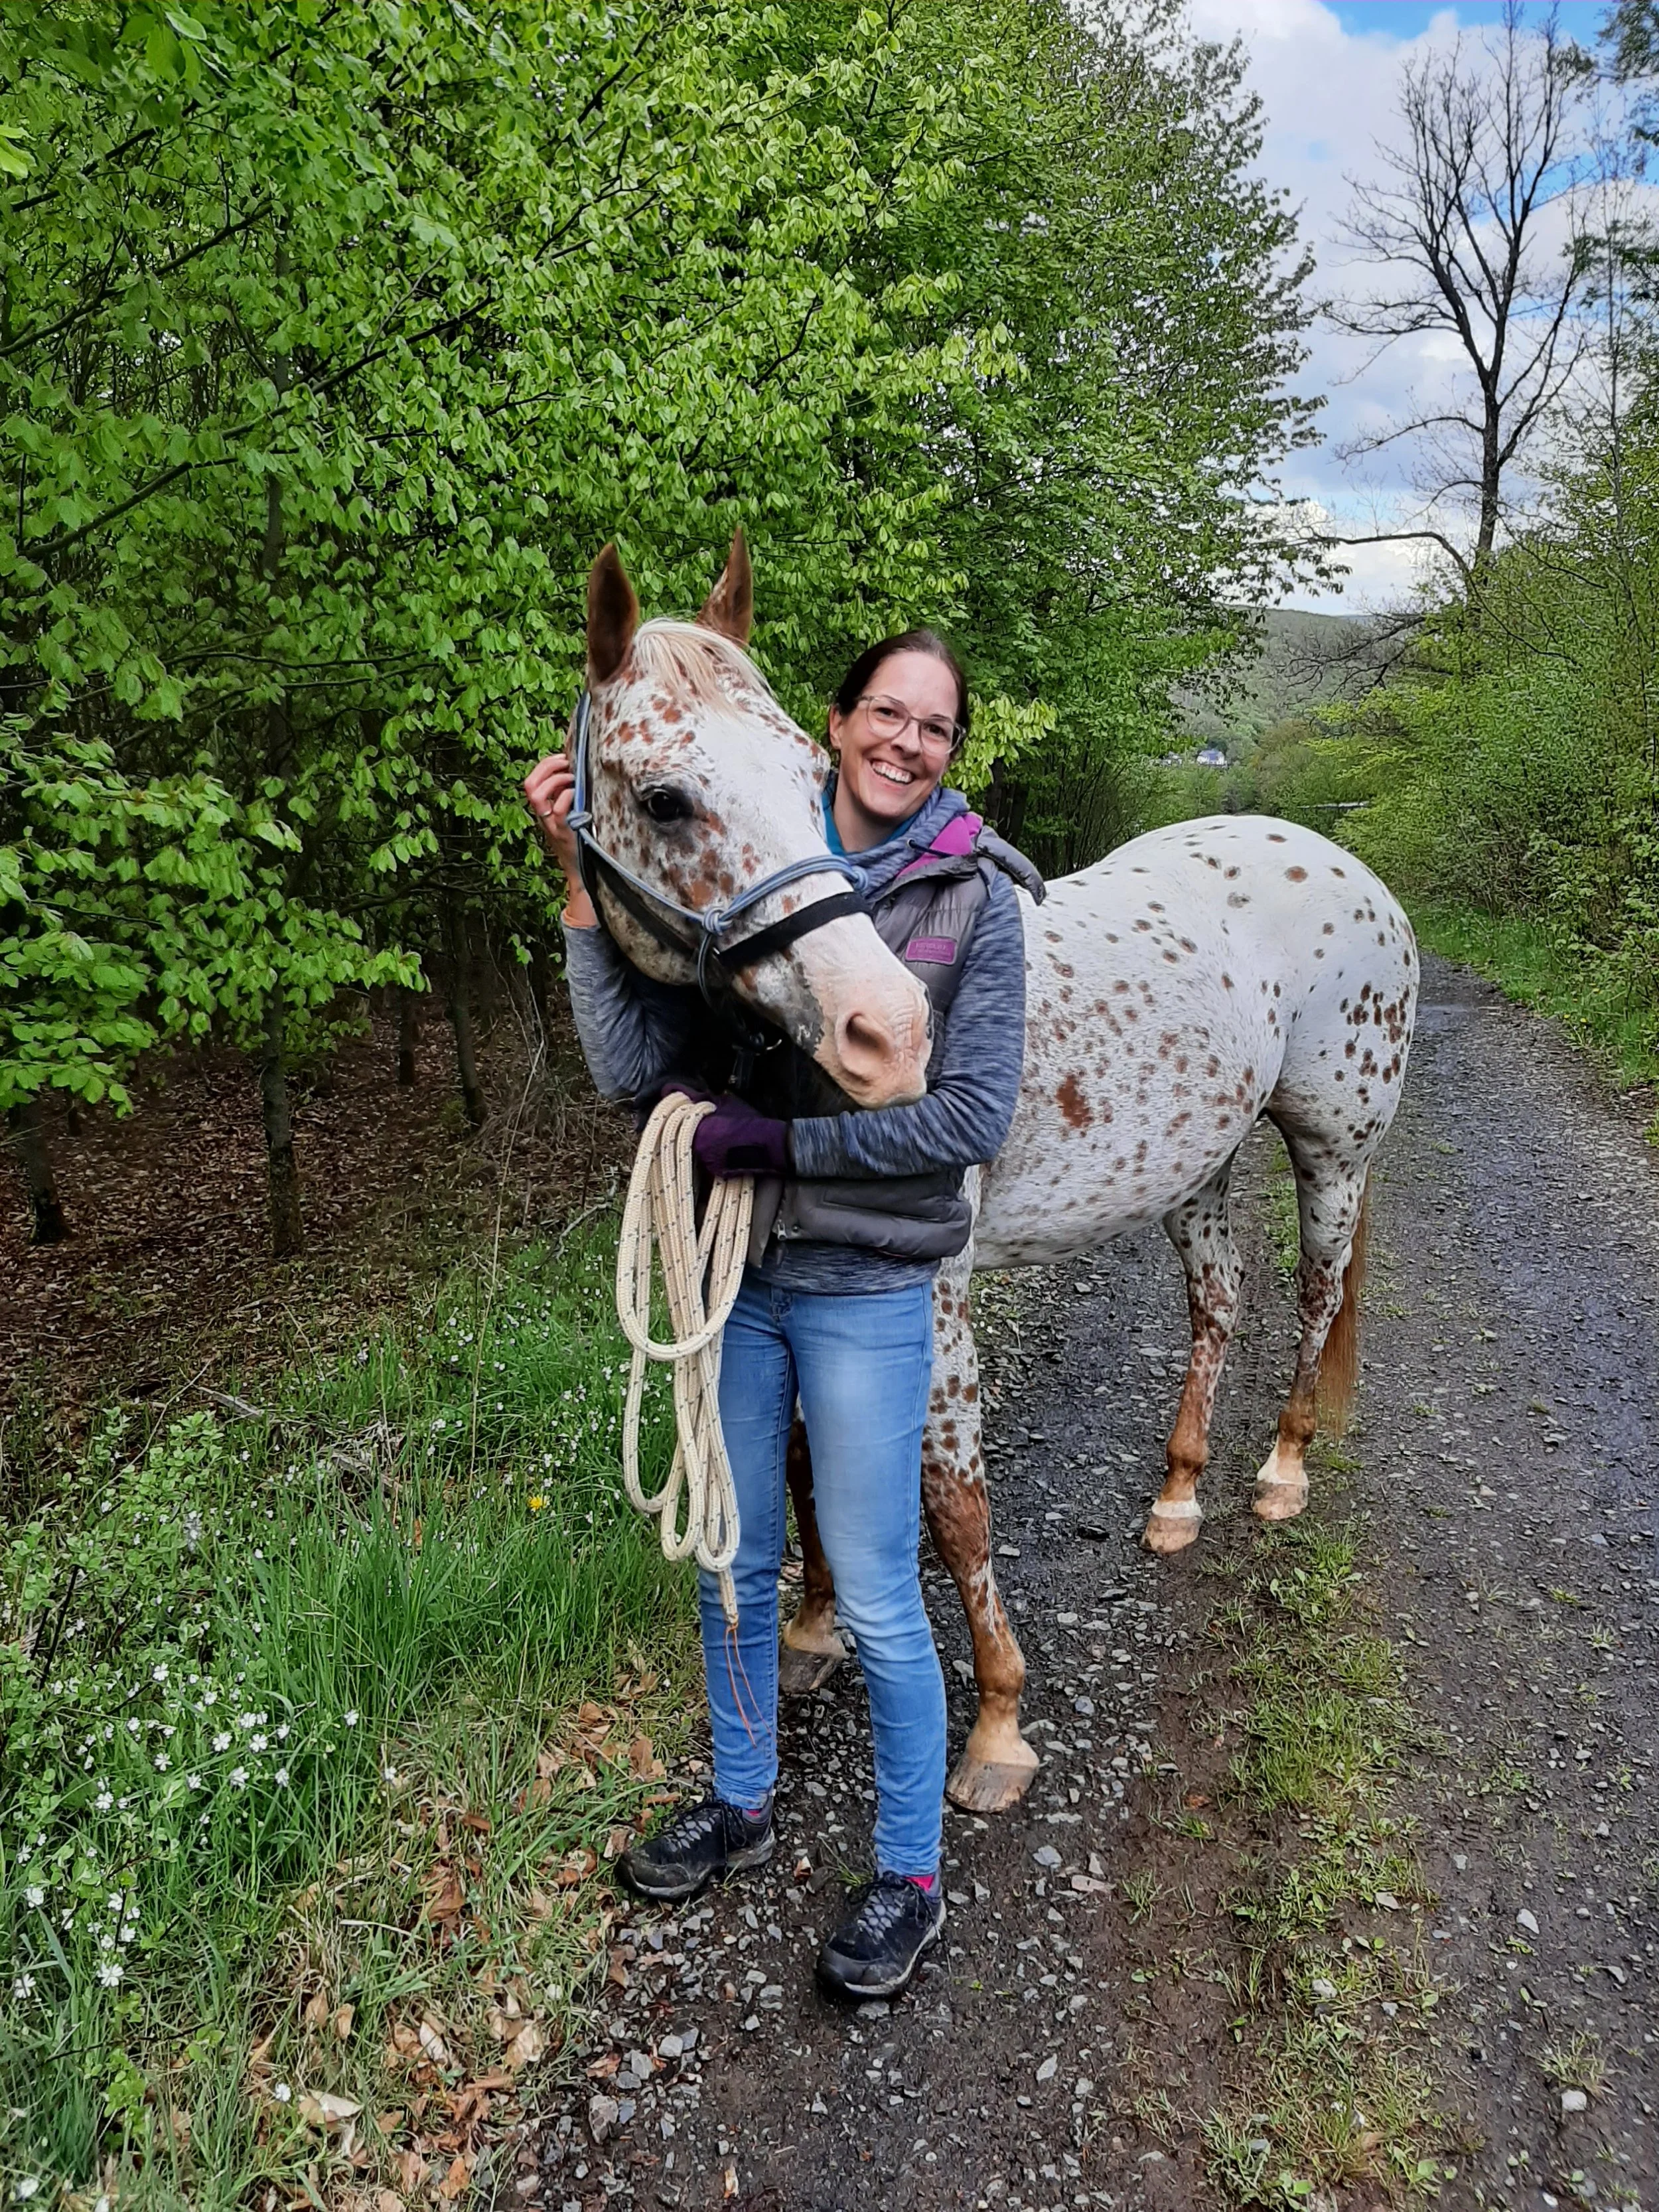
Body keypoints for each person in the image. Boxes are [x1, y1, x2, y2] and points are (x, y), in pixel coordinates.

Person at [524, 629, 1036, 2000]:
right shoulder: (756, 853)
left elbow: (969, 1118)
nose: (906, 742)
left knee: (871, 1591)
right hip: (740, 1277)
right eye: (886, 712)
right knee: (735, 1559)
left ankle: (908, 1875)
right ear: (835, 722)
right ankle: (741, 1800)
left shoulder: (977, 900)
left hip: (867, 1281)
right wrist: (577, 878)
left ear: (948, 750)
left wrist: (775, 1149)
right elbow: (630, 1064)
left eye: (934, 726)